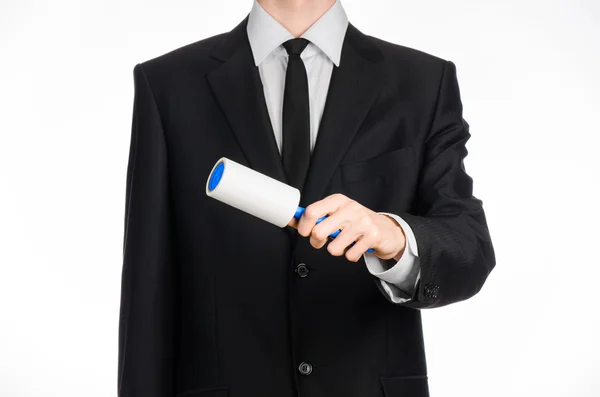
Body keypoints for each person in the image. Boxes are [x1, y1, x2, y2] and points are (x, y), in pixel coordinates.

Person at [117, 0, 496, 396]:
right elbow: (148, 289)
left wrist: (394, 235)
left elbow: (470, 246)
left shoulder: (422, 82)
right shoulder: (168, 84)